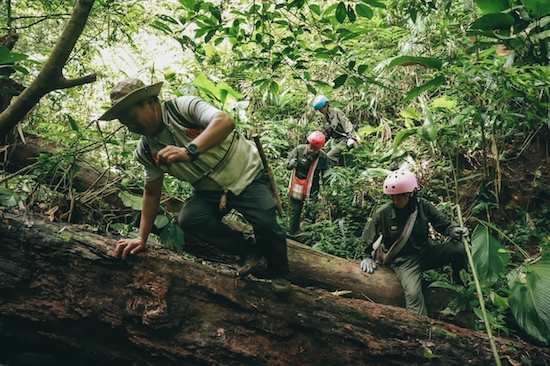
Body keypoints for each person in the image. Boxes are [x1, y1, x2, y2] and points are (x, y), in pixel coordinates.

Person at [99, 78, 291, 294]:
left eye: (132, 118)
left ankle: (280, 273)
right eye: (126, 124)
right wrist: (141, 238)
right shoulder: (146, 151)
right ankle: (249, 250)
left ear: (150, 101)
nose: (132, 127)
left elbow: (224, 122)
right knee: (190, 219)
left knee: (265, 222)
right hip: (209, 190)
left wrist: (189, 150)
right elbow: (151, 193)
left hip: (246, 173)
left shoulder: (183, 108)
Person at [358, 169, 469, 316]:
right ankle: (421, 329)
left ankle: (461, 288)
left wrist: (454, 230)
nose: (395, 201)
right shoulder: (383, 213)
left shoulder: (423, 206)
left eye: (399, 196)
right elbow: (368, 236)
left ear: (410, 194)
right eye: (393, 197)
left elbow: (442, 224)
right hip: (404, 261)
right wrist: (365, 256)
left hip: (426, 252)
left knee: (459, 249)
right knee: (413, 295)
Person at [285, 131, 330, 238]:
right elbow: (287, 163)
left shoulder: (323, 157)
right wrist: (290, 164)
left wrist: (327, 188)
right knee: (295, 210)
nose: (312, 150)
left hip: (312, 187)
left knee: (311, 211)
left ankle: (308, 236)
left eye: (315, 149)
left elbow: (326, 173)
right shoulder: (299, 150)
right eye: (311, 147)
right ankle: (292, 234)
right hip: (297, 184)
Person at [312, 95, 358, 167]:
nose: (320, 111)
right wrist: (319, 143)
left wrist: (352, 137)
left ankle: (334, 173)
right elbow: (326, 133)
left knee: (330, 156)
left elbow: (346, 123)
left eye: (321, 109)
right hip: (336, 141)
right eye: (319, 110)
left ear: (326, 105)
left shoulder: (336, 112)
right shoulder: (325, 118)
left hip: (345, 139)